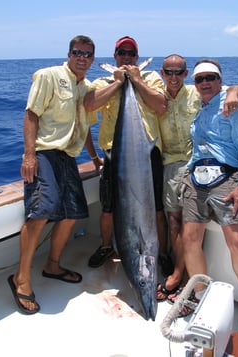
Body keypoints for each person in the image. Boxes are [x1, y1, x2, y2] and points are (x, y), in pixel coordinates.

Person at [7, 35, 99, 314]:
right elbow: (31, 114)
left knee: (72, 214)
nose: (82, 57)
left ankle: (52, 265)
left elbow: (83, 127)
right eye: (77, 52)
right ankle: (21, 278)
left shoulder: (87, 87)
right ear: (69, 53)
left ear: (93, 59)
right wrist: (29, 154)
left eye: (87, 54)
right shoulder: (49, 75)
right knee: (41, 212)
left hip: (68, 157)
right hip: (45, 153)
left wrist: (94, 158)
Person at [179, 58, 238, 334]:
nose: (205, 83)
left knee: (236, 242)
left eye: (210, 78)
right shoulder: (201, 107)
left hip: (227, 178)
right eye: (200, 79)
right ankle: (200, 296)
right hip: (196, 180)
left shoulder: (236, 105)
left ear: (219, 79)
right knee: (190, 240)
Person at [157, 54, 238, 304]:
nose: (174, 77)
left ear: (186, 74)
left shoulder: (197, 91)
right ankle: (179, 271)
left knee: (191, 225)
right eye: (168, 72)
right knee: (174, 221)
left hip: (197, 165)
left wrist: (233, 94)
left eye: (179, 72)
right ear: (162, 73)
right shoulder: (155, 95)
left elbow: (235, 89)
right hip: (169, 166)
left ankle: (184, 279)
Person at [84, 36, 173, 276]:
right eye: (122, 53)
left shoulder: (152, 78)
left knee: (155, 207)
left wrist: (135, 80)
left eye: (131, 54)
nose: (126, 57)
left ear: (137, 57)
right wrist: (117, 83)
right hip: (116, 154)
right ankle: (105, 246)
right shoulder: (103, 80)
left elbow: (161, 106)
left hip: (147, 153)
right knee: (108, 207)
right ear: (115, 56)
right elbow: (89, 105)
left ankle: (161, 253)